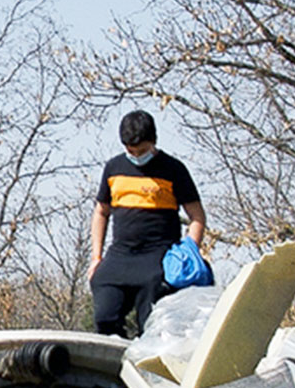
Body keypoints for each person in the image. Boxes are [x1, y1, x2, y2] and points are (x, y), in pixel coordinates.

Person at [89, 109, 207, 338]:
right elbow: (101, 212)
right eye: (130, 150)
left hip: (157, 257)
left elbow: (197, 217)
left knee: (152, 326)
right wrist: (96, 258)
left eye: (141, 151)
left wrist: (188, 253)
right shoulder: (113, 169)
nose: (135, 155)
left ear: (153, 142)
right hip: (120, 256)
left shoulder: (174, 169)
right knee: (104, 317)